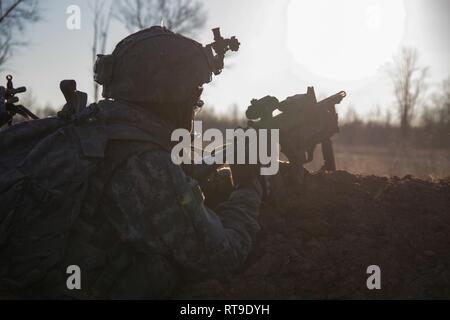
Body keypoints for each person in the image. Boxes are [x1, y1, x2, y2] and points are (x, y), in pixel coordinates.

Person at [53, 26, 264, 299]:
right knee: (160, 270)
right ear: (171, 96)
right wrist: (249, 189)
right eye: (194, 98)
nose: (194, 107)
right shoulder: (144, 163)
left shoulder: (94, 126)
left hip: (48, 270)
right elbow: (221, 257)